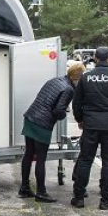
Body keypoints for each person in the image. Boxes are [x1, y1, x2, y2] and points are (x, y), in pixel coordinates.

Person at [71, 46, 108, 209]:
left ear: (95, 58)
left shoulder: (86, 77)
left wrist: (80, 119)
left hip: (90, 125)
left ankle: (78, 197)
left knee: (85, 160)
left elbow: (77, 102)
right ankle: (106, 200)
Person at [18, 62, 85, 202]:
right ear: (77, 78)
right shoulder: (69, 89)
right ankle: (41, 192)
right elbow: (58, 110)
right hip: (42, 124)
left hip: (30, 117)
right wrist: (66, 112)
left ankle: (24, 188)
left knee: (28, 155)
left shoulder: (55, 80)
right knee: (41, 159)